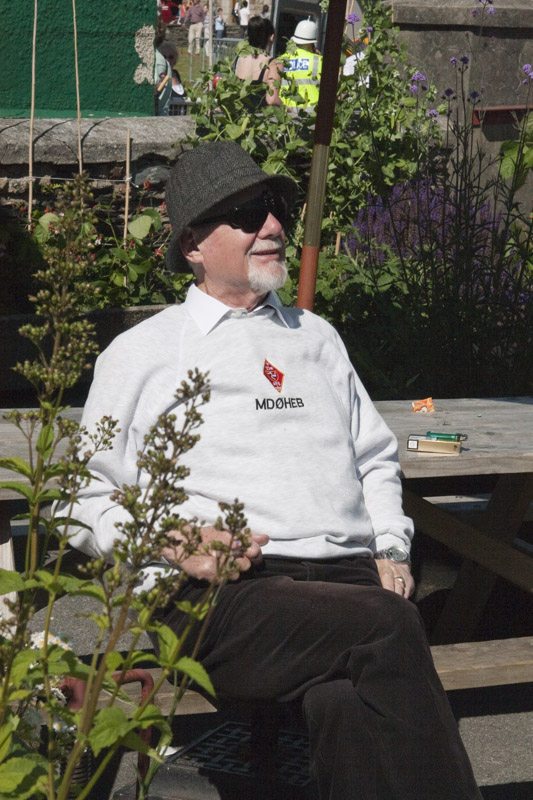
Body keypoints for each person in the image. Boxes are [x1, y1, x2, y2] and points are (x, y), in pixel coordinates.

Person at [67, 141, 483, 800]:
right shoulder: (142, 352)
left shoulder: (315, 338)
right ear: (193, 244)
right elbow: (81, 497)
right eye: (247, 213)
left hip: (346, 583)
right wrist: (173, 540)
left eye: (276, 208)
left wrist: (389, 546)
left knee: (346, 705)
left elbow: (374, 456)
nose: (273, 226)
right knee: (388, 628)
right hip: (227, 593)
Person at [233, 16, 282, 108]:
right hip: (258, 118)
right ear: (272, 37)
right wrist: (286, 108)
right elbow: (272, 99)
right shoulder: (273, 64)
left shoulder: (238, 59)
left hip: (237, 116)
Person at [279, 17, 322, 111]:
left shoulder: (281, 60)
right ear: (312, 43)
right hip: (311, 116)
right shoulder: (319, 61)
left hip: (287, 116)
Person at [153, 35, 177, 116]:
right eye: (164, 57)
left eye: (171, 57)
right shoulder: (158, 74)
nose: (167, 60)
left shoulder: (176, 75)